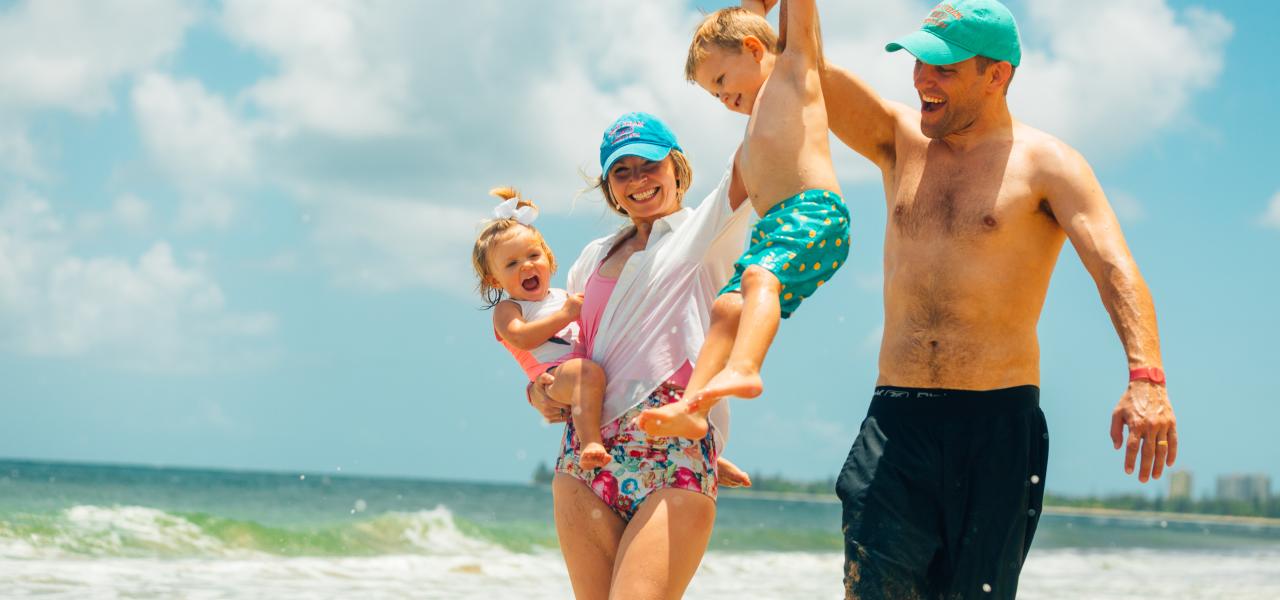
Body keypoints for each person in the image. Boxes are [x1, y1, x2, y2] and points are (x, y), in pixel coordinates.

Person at [738, 0, 1178, 597]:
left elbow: (1113, 266)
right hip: (896, 422)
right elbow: (805, 65)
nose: (922, 78)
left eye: (943, 67)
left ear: (997, 74)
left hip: (996, 427)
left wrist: (1146, 376)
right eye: (919, 62)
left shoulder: (1049, 165)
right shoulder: (897, 138)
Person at [526, 111, 754, 599]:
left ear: (676, 167)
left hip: (675, 453)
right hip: (586, 458)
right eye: (621, 171)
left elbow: (757, 152)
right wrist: (539, 389)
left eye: (649, 164)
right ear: (610, 187)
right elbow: (568, 350)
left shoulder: (706, 233)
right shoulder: (593, 257)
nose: (638, 180)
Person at [637, 0, 850, 441]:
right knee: (726, 307)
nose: (722, 98)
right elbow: (749, 15)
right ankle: (693, 408)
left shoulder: (794, 73)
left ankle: (745, 366)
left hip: (815, 211)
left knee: (756, 279)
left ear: (755, 50)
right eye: (714, 94)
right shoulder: (755, 115)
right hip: (777, 228)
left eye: (721, 81)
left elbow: (795, 16)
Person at [472, 186, 610, 469]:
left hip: (583, 375)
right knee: (587, 373)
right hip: (553, 378)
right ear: (495, 281)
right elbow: (521, 338)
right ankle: (590, 443)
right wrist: (566, 314)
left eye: (533, 255)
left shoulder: (562, 295)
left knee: (596, 375)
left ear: (548, 257)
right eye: (511, 263)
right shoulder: (509, 309)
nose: (526, 266)